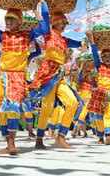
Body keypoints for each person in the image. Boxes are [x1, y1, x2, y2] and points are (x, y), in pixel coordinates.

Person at [0, 0, 49, 155]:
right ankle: (8, 143)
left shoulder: (27, 35)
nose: (8, 21)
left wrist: (35, 10)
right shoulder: (2, 35)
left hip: (17, 77)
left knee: (12, 109)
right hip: (2, 77)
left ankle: (12, 144)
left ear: (20, 21)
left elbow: (45, 29)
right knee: (1, 111)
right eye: (7, 18)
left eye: (12, 18)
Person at [28, 13, 85, 149]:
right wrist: (41, 0)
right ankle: (39, 138)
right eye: (62, 23)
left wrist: (85, 43)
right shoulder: (48, 33)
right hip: (48, 75)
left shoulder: (64, 40)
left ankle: (61, 137)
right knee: (47, 108)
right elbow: (45, 15)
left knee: (73, 103)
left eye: (66, 23)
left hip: (59, 76)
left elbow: (78, 43)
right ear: (54, 22)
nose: (64, 26)